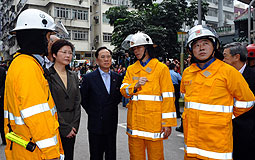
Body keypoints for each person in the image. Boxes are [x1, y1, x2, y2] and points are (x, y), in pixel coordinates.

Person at [181, 25, 254, 160]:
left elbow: (248, 100)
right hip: (191, 144)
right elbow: (186, 99)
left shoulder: (228, 72)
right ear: (191, 50)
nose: (201, 48)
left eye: (206, 43)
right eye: (196, 45)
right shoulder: (187, 73)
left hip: (216, 145)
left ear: (215, 46)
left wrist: (228, 116)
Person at [3, 9, 65, 159]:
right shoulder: (27, 68)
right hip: (35, 152)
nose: (50, 43)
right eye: (49, 37)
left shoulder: (24, 63)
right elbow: (37, 117)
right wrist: (52, 154)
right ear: (39, 37)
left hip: (28, 148)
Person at [120, 32, 177, 160]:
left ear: (147, 48)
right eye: (134, 49)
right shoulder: (131, 69)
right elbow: (123, 90)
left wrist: (167, 123)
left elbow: (168, 97)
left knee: (156, 157)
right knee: (135, 157)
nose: (136, 51)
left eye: (139, 47)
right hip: (135, 124)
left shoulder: (161, 69)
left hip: (154, 124)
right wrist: (134, 86)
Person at [80, 47, 123, 160]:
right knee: (96, 155)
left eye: (108, 57)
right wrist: (94, 112)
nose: (106, 59)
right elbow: (84, 99)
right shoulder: (88, 78)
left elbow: (118, 97)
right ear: (97, 61)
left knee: (111, 154)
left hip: (111, 122)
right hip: (95, 124)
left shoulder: (117, 77)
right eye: (102, 57)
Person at [48, 39, 81, 160]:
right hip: (55, 125)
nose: (68, 55)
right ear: (55, 54)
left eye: (70, 53)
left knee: (69, 156)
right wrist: (64, 127)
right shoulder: (47, 75)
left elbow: (77, 102)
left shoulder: (73, 76)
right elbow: (49, 103)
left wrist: (74, 126)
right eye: (64, 52)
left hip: (72, 127)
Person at [223, 42, 255, 160]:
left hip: (248, 134)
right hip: (226, 133)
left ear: (236, 57)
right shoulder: (223, 76)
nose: (223, 60)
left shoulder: (252, 76)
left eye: (225, 56)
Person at [0, 66, 6, 145]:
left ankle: (4, 139)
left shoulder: (2, 71)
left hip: (1, 100)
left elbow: (4, 84)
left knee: (2, 121)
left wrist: (1, 94)